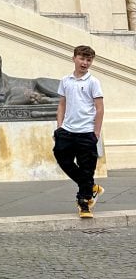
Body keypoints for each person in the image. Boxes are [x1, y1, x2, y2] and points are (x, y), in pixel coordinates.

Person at [53, 44, 104, 218]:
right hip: (66, 130)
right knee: (62, 158)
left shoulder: (93, 82)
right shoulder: (65, 80)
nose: (85, 63)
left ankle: (84, 203)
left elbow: (99, 108)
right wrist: (59, 127)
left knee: (87, 168)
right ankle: (91, 187)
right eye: (82, 58)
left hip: (86, 132)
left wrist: (96, 133)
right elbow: (61, 104)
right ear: (74, 58)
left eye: (88, 60)